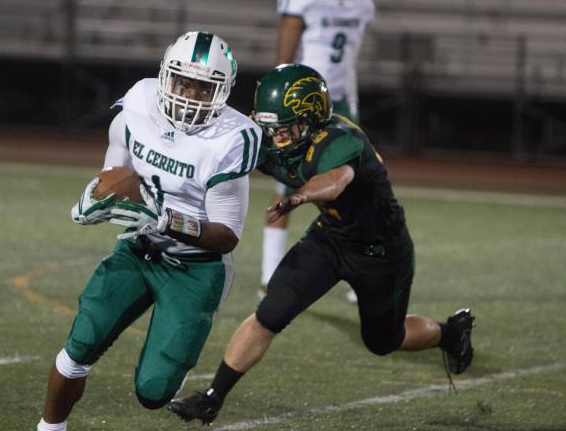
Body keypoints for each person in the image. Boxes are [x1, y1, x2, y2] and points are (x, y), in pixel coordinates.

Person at [167, 64, 475, 425]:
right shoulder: (266, 132)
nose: (277, 138)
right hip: (330, 237)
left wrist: (300, 196)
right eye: (271, 128)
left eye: (286, 128)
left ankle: (450, 334)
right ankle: (212, 398)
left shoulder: (341, 139)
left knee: (383, 341)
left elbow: (334, 180)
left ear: (313, 118)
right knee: (271, 313)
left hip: (380, 251)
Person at [36, 31, 262, 431]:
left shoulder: (230, 139)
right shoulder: (138, 105)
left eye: (203, 87)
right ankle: (49, 428)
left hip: (196, 268)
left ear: (223, 91)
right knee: (79, 347)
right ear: (165, 75)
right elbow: (115, 174)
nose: (190, 94)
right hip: (137, 250)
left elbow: (227, 235)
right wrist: (96, 197)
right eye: (183, 81)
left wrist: (165, 218)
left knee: (153, 392)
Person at [260, 0, 376, 303]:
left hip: (341, 100)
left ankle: (358, 274)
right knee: (288, 184)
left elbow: (349, 58)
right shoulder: (304, 0)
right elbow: (284, 58)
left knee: (357, 188)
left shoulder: (363, 4)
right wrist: (282, 101)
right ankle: (270, 276)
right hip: (303, 102)